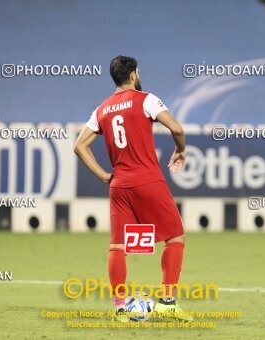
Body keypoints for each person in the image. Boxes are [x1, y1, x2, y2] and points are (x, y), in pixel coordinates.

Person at [74, 55, 192, 322]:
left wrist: (104, 175)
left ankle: (119, 308)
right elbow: (176, 127)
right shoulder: (146, 99)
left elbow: (79, 146)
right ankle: (168, 301)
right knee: (175, 237)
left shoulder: (101, 110)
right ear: (133, 76)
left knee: (118, 246)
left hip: (119, 185)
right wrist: (180, 150)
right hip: (148, 180)